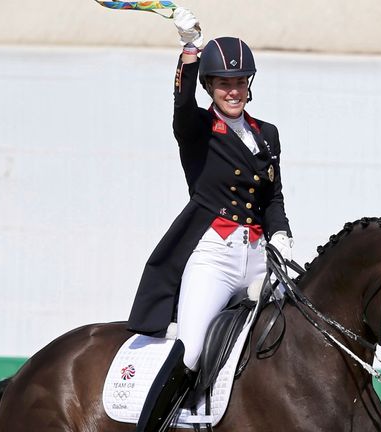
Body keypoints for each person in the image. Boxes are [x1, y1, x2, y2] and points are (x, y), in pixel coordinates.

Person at [127, 7, 294, 431]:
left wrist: (281, 236)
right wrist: (189, 50)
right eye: (224, 83)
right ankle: (157, 426)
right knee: (192, 349)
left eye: (239, 83)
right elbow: (182, 103)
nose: (233, 91)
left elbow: (272, 196)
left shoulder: (267, 133)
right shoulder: (197, 128)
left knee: (293, 339)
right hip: (213, 256)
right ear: (211, 87)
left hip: (259, 256)